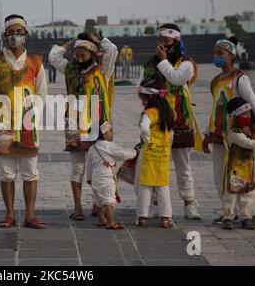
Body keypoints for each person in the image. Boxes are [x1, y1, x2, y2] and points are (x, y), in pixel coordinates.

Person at [0, 14, 48, 229]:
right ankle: (9, 214)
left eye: (19, 32)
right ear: (5, 35)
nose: (15, 36)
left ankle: (30, 215)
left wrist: (31, 116)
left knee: (30, 172)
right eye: (11, 32)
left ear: (26, 35)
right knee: (6, 172)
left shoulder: (35, 62)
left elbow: (42, 93)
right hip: (2, 125)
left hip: (28, 124)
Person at [49, 33, 118, 221]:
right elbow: (53, 58)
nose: (79, 59)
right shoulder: (70, 69)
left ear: (92, 53)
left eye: (83, 55)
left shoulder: (103, 69)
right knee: (78, 167)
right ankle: (78, 206)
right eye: (76, 55)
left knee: (99, 165)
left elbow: (112, 50)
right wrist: (67, 45)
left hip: (98, 122)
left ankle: (99, 205)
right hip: (74, 122)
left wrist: (97, 40)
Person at [202, 36, 255, 226]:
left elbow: (254, 104)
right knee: (220, 176)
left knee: (242, 174)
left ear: (232, 56)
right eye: (214, 53)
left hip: (240, 134)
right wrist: (207, 134)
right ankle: (228, 213)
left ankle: (248, 214)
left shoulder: (240, 78)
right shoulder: (215, 82)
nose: (216, 57)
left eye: (220, 54)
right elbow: (216, 108)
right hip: (218, 134)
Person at [141, 23, 202, 220]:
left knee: (183, 166)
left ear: (176, 41)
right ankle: (155, 203)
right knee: (156, 163)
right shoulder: (151, 63)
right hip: (158, 121)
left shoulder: (187, 63)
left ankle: (189, 203)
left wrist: (163, 61)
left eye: (166, 41)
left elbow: (176, 79)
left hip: (181, 122)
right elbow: (142, 86)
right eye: (159, 41)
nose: (162, 45)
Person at [221, 98, 255, 230]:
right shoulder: (233, 132)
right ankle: (228, 216)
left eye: (249, 113)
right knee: (231, 192)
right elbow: (246, 142)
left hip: (247, 168)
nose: (248, 116)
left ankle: (246, 216)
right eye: (244, 114)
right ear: (235, 116)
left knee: (247, 191)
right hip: (234, 169)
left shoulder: (250, 130)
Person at [135, 78, 175, 228]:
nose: (142, 101)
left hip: (149, 154)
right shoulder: (168, 113)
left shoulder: (149, 112)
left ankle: (142, 217)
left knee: (145, 185)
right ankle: (166, 217)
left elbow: (144, 128)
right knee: (162, 186)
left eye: (143, 98)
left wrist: (147, 139)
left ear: (150, 97)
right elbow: (171, 134)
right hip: (163, 155)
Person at [85, 122, 137, 229]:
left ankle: (101, 219)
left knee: (98, 199)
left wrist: (89, 178)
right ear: (104, 134)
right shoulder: (110, 146)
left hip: (95, 177)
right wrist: (134, 152)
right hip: (106, 177)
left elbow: (89, 165)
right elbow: (124, 154)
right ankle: (111, 221)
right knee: (108, 199)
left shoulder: (92, 148)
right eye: (110, 131)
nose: (112, 133)